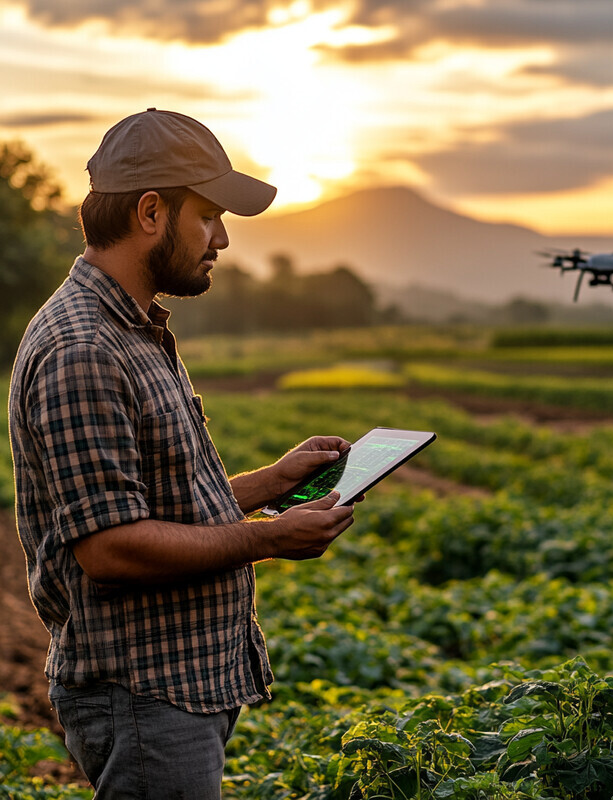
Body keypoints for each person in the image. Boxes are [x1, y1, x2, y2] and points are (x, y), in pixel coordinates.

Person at [8, 108, 356, 799]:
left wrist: (271, 483)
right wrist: (268, 539)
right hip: (143, 695)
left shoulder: (133, 330)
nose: (222, 239)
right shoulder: (84, 349)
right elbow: (111, 547)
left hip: (174, 690)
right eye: (208, 216)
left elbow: (156, 499)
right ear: (149, 213)